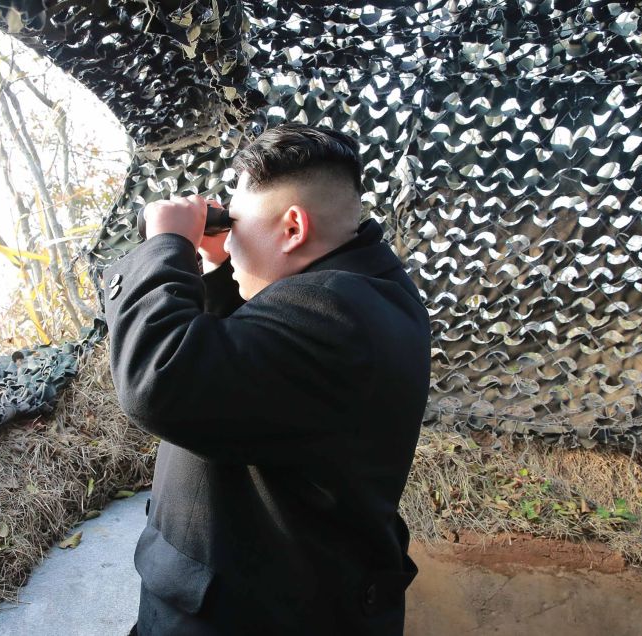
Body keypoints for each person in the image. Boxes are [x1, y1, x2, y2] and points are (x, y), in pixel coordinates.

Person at [103, 123, 430, 635]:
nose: (229, 240)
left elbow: (158, 379)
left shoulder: (332, 311)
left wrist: (166, 245)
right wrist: (218, 268)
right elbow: (251, 362)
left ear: (293, 228)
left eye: (237, 225)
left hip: (247, 615)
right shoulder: (372, 290)